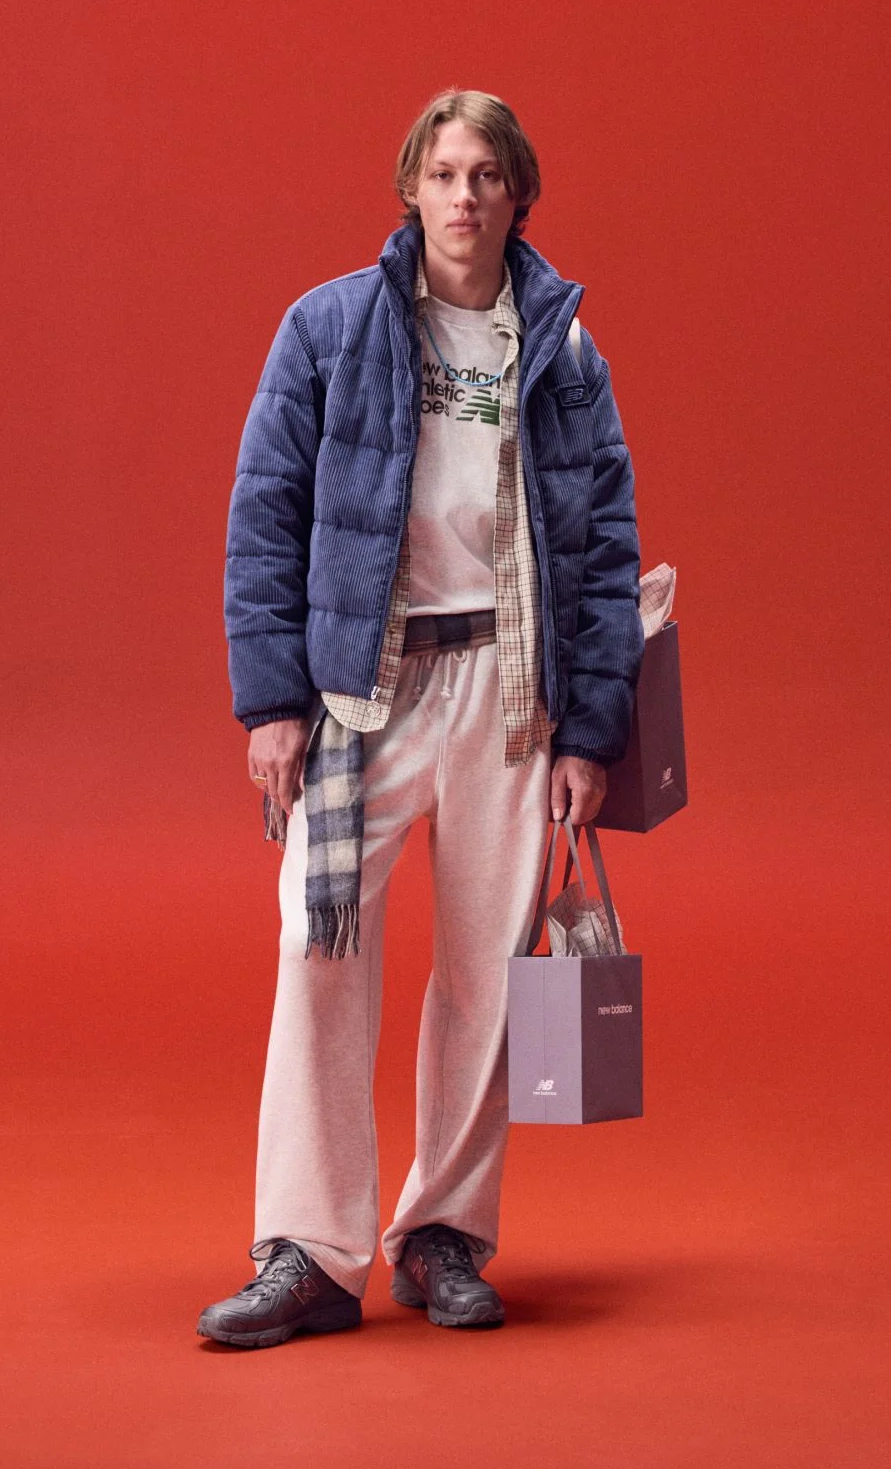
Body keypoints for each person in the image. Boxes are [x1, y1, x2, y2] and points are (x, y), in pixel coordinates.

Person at [198, 87, 644, 1348]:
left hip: (507, 694)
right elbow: (264, 516)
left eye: (486, 177)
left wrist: (590, 731)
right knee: (317, 952)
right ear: (411, 187)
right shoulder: (332, 328)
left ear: (518, 196)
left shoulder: (558, 348)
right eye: (444, 173)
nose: (464, 197)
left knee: (486, 982)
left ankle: (443, 1231)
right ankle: (308, 1246)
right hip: (364, 689)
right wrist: (275, 701)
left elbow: (605, 546)